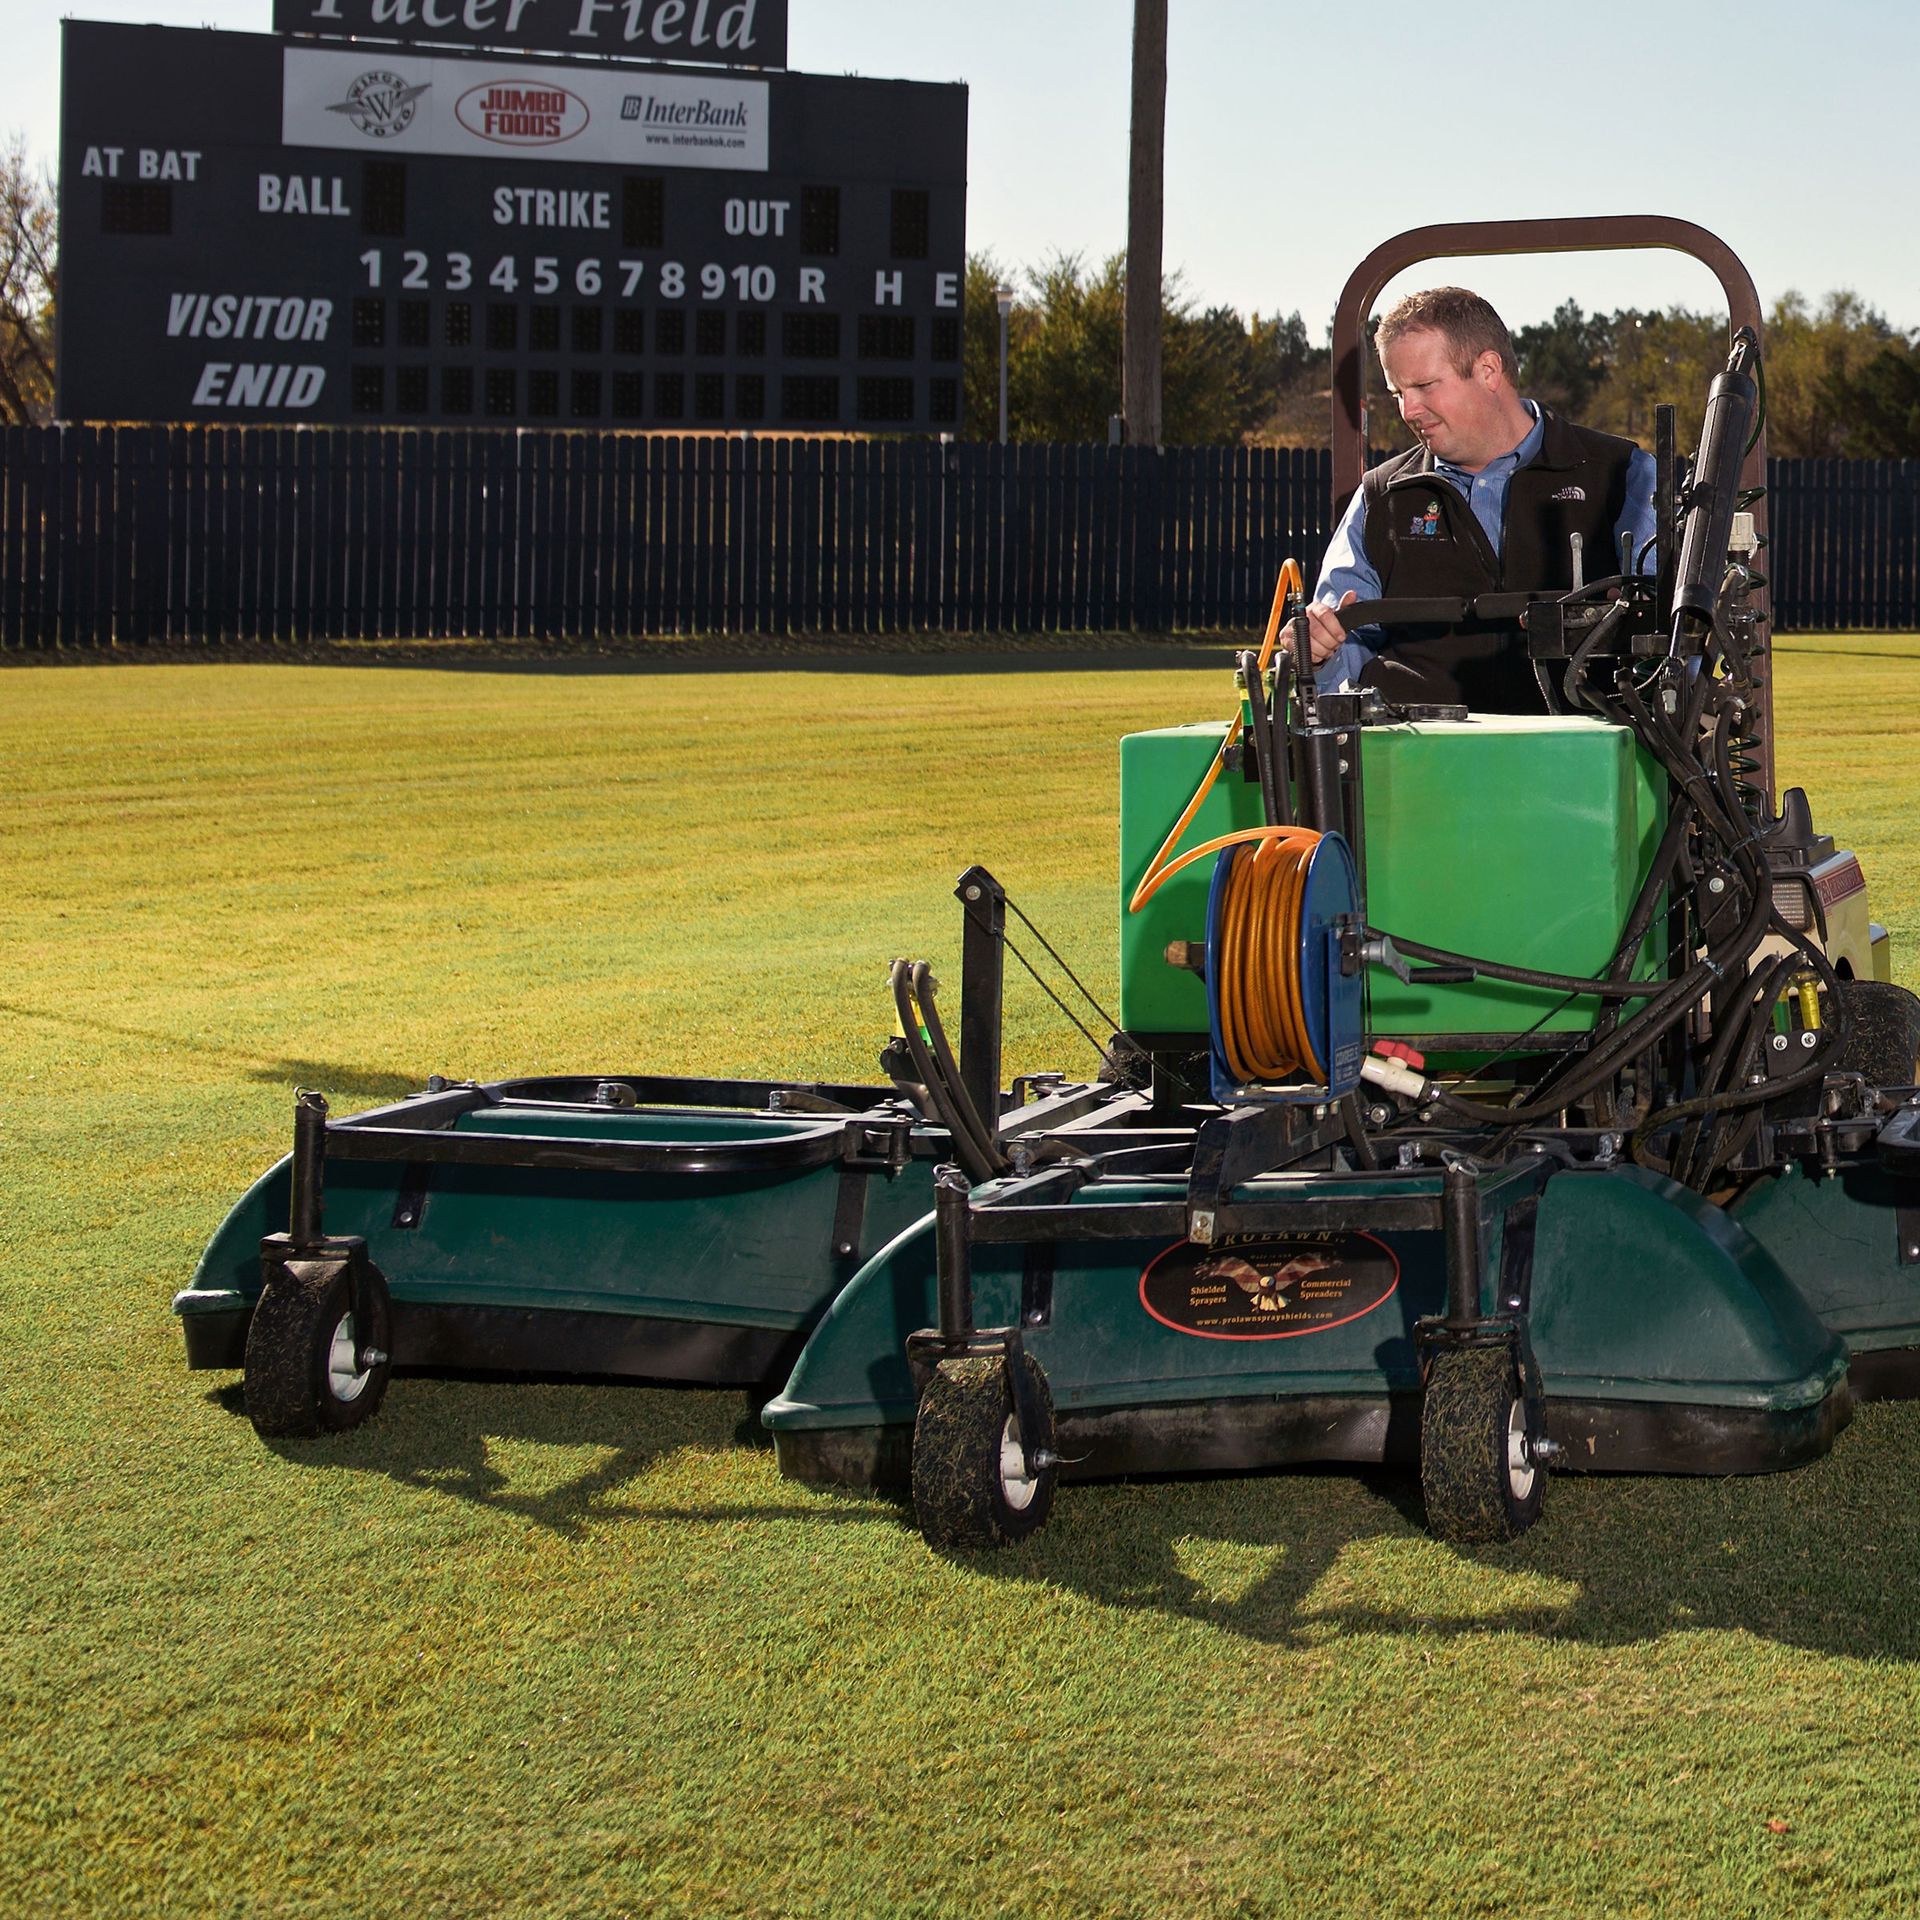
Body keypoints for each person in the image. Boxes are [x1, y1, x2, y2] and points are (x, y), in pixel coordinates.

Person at [1303, 286, 1657, 712]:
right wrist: (1319, 650)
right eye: (1398, 393)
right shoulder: (1382, 496)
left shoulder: (1619, 473)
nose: (1408, 410)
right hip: (1419, 761)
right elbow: (1340, 645)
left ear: (1489, 370)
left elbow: (1666, 634)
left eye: (1425, 386)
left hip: (1579, 757)